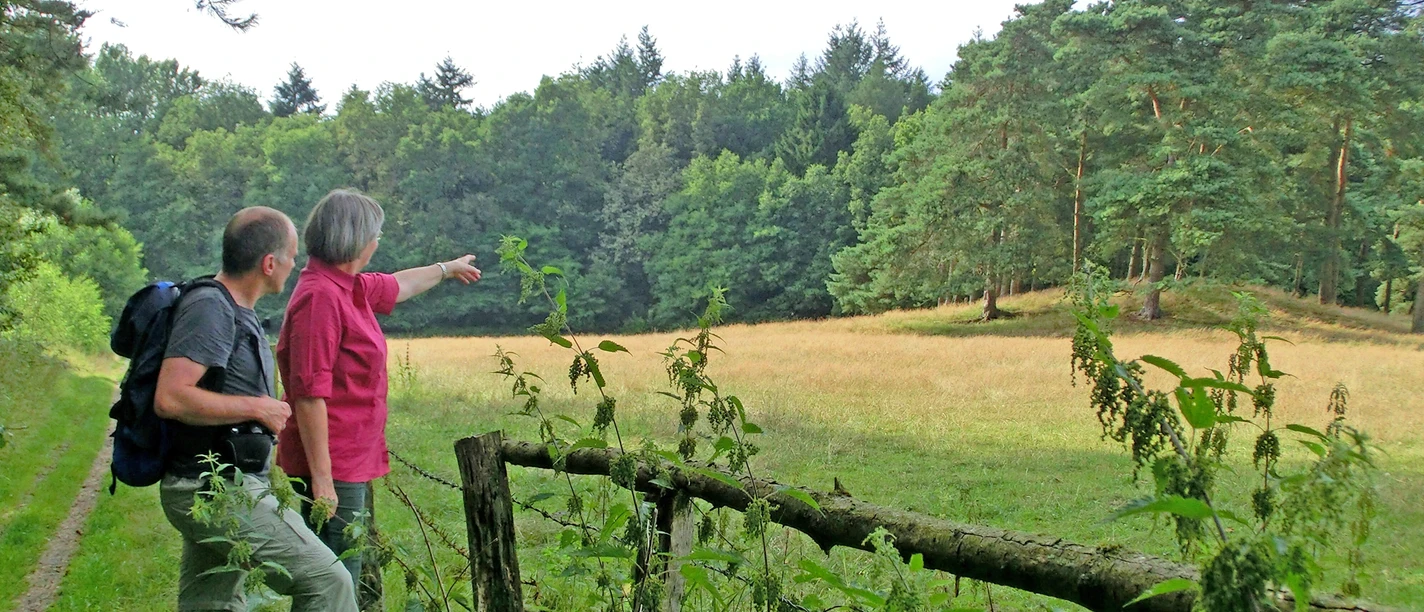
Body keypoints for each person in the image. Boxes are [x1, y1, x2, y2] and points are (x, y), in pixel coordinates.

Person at [275, 188, 481, 596]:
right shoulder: (320, 297)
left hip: (347, 457)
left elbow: (398, 285)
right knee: (333, 580)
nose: (378, 242)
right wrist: (323, 480)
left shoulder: (345, 286)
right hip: (333, 461)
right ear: (354, 240)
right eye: (376, 234)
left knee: (341, 572)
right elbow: (308, 394)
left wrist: (447, 268)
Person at [154, 206, 357, 612]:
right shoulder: (211, 309)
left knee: (212, 604)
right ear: (269, 263)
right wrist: (259, 409)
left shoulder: (230, 308)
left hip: (214, 486)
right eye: (291, 257)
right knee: (329, 581)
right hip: (216, 488)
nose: (294, 265)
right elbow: (171, 397)